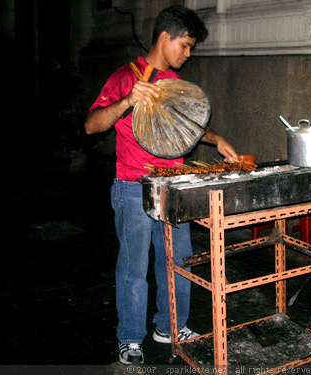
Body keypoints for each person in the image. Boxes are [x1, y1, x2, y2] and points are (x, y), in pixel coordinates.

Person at [84, 5, 238, 366]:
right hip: (133, 186)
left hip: (173, 188)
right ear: (165, 37)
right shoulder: (126, 77)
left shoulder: (175, 86)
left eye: (190, 48)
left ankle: (170, 326)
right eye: (185, 45)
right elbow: (92, 126)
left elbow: (190, 125)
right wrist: (126, 102)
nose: (187, 54)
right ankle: (130, 337)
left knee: (177, 262)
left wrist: (216, 140)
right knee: (134, 267)